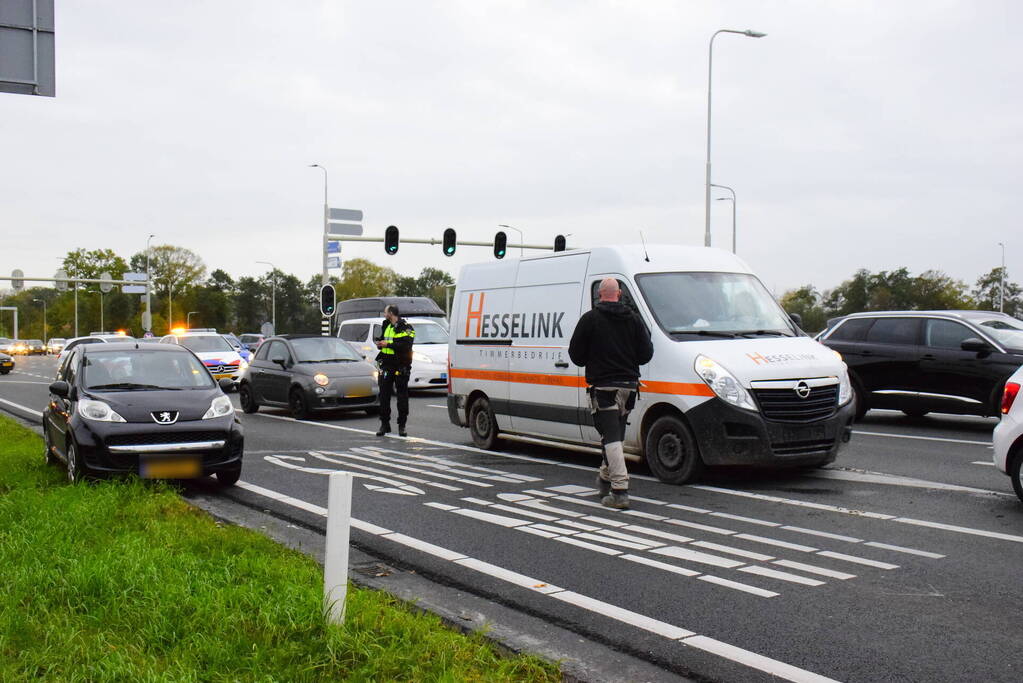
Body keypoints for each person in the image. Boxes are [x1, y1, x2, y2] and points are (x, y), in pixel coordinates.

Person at [568, 278, 653, 509]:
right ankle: (604, 480)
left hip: (604, 387)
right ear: (619, 294)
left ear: (599, 295)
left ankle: (620, 491)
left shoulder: (590, 320)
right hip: (628, 387)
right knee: (614, 436)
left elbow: (575, 355)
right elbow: (646, 354)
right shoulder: (634, 320)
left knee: (612, 438)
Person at [374, 304, 416, 437]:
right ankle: (384, 425)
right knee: (384, 395)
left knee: (402, 396)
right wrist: (380, 344)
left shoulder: (406, 327)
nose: (384, 313)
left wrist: (388, 344)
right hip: (386, 364)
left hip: (400, 365)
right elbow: (384, 341)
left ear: (391, 313)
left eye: (385, 311)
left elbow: (406, 344)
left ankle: (402, 426)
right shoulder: (385, 325)